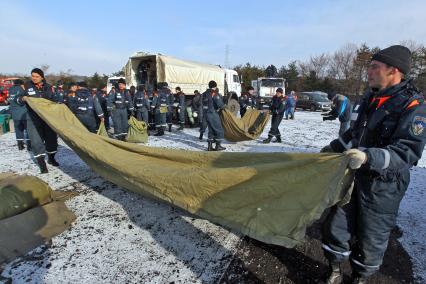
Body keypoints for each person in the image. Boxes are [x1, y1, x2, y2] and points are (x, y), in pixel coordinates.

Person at [321, 45, 426, 284]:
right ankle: (334, 269)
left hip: (383, 187)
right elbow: (353, 134)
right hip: (352, 178)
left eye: (374, 67)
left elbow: (407, 152)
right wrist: (334, 147)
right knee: (336, 225)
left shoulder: (413, 106)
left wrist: (369, 157)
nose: (368, 71)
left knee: (372, 236)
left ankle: (360, 277)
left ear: (394, 71)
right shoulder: (368, 98)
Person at [16, 68, 59, 173]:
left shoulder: (49, 87)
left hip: (47, 118)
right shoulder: (25, 86)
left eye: (36, 76)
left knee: (52, 139)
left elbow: (55, 99)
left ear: (42, 77)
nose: (34, 78)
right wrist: (22, 98)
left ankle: (51, 158)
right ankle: (42, 164)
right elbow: (17, 99)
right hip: (33, 118)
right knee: (36, 141)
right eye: (32, 76)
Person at [201, 80, 226, 151]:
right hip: (213, 113)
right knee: (219, 129)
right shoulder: (214, 93)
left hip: (206, 114)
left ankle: (209, 147)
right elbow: (220, 104)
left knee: (211, 130)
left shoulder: (204, 93)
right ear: (215, 86)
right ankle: (218, 146)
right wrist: (225, 106)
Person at [7, 79, 30, 151]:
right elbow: (25, 99)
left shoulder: (10, 89)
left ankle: (20, 145)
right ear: (21, 84)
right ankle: (30, 145)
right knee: (28, 129)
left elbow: (9, 100)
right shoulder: (22, 89)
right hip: (24, 113)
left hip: (14, 114)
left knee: (18, 129)